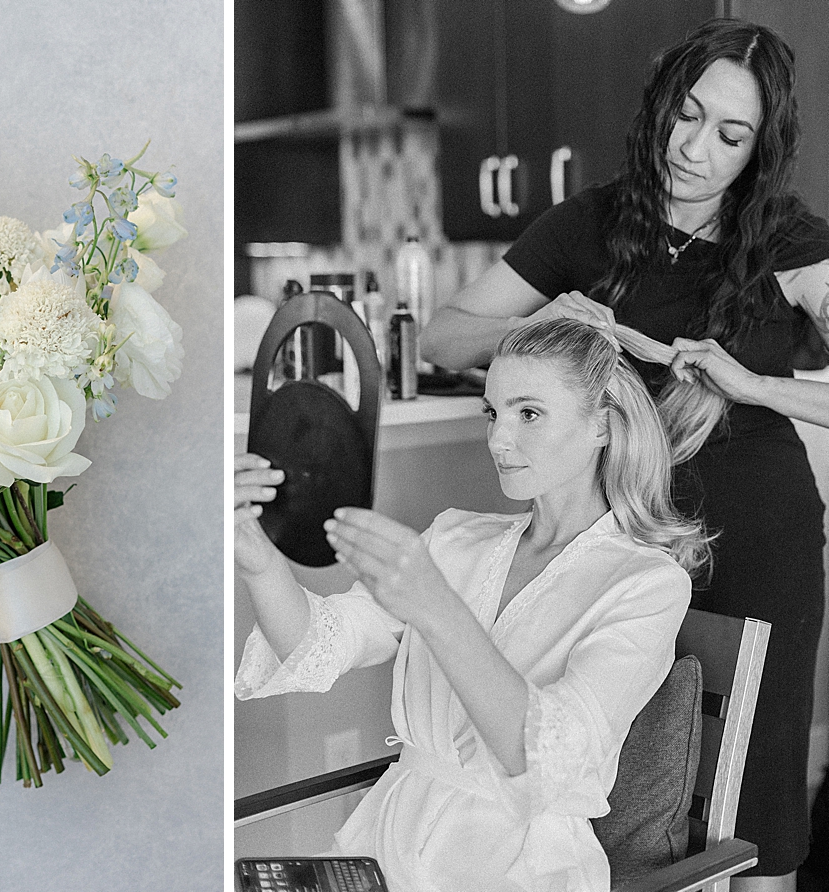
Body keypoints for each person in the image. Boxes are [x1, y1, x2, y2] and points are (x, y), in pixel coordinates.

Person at [421, 19, 829, 889]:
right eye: (685, 117)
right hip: (615, 538)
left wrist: (756, 387)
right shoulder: (593, 222)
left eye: (730, 135)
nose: (695, 149)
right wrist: (545, 321)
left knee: (753, 809)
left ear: (760, 149)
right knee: (601, 782)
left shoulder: (790, 245)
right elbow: (445, 337)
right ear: (658, 110)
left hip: (757, 537)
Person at [235, 318, 708, 892]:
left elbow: (545, 760)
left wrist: (435, 606)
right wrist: (258, 559)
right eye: (493, 412)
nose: (498, 439)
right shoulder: (455, 538)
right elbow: (317, 646)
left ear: (603, 424)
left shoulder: (646, 584)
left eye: (528, 413)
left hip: (519, 866)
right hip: (387, 845)